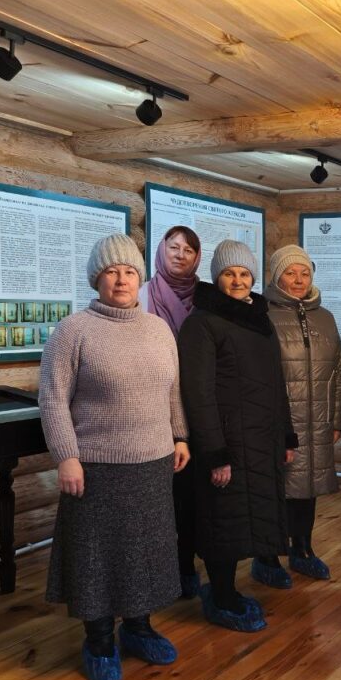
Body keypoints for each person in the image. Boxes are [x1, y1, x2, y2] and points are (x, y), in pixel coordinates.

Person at [39, 234, 190, 680]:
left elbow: (172, 390)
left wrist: (180, 434)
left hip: (154, 462)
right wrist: (66, 456)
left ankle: (139, 628)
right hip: (97, 466)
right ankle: (100, 640)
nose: (121, 279)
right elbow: (52, 399)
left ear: (140, 278)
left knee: (145, 550)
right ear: (96, 278)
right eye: (111, 271)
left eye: (129, 271)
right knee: (97, 557)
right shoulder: (73, 331)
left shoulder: (159, 329)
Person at [178, 240, 298, 632]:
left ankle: (229, 590)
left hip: (261, 439)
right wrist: (215, 452)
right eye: (229, 274)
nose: (237, 281)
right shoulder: (201, 323)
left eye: (244, 274)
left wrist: (286, 435)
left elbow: (276, 382)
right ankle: (222, 597)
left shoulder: (259, 319)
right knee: (223, 521)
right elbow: (198, 393)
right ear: (217, 277)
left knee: (245, 517)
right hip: (227, 442)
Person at [259, 244, 341, 587]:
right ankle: (267, 556)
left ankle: (303, 549)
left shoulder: (324, 317)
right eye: (290, 273)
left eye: (304, 273)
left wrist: (336, 418)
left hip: (317, 418)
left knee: (307, 487)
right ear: (276, 276)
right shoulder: (262, 313)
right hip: (280, 420)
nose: (298, 280)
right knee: (276, 487)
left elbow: (339, 369)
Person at [138, 225, 204, 599]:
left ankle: (186, 564)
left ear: (197, 257)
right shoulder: (142, 295)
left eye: (188, 250)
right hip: (155, 411)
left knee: (191, 494)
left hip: (197, 407)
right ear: (161, 250)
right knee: (159, 496)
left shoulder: (205, 298)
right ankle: (157, 570)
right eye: (174, 247)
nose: (180, 254)